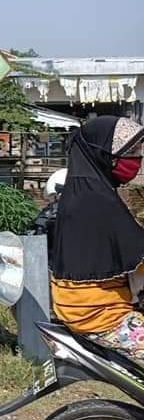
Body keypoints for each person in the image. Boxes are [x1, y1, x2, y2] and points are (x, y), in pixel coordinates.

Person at [50, 116, 144, 365]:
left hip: (87, 307)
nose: (136, 159)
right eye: (129, 152)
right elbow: (137, 256)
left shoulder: (85, 189)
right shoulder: (95, 201)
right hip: (100, 314)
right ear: (101, 154)